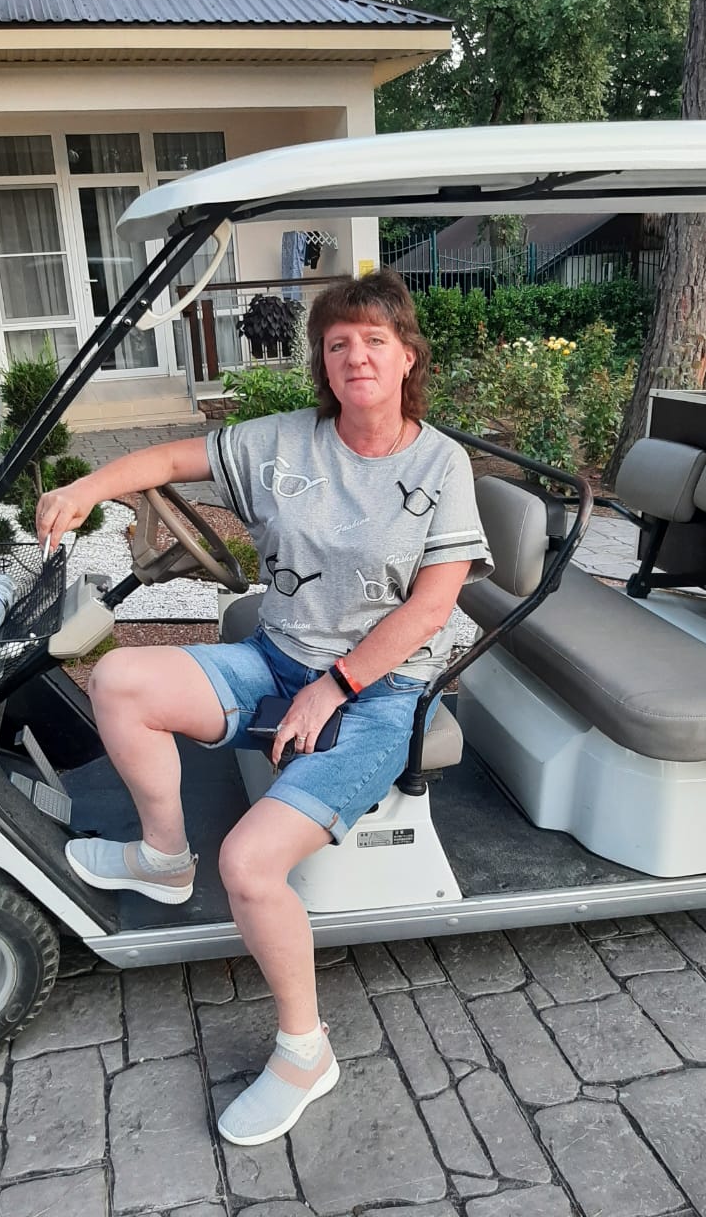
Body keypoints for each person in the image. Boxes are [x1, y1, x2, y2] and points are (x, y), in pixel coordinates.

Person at [36, 270, 492, 1147]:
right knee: (120, 680)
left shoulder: (440, 463)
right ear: (323, 362)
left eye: (375, 341)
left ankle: (303, 1052)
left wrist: (334, 686)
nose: (356, 356)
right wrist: (89, 487)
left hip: (381, 693)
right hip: (277, 656)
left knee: (248, 864)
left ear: (407, 356)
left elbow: (432, 609)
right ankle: (163, 858)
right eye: (338, 343)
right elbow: (171, 462)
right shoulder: (286, 440)